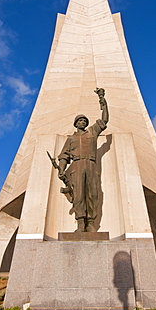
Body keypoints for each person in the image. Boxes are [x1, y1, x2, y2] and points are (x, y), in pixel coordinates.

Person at [58, 88, 109, 233]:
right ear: (75, 124)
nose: (82, 122)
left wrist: (102, 100)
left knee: (93, 193)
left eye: (84, 120)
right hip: (77, 165)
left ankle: (91, 222)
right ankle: (81, 223)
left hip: (91, 164)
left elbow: (104, 119)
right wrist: (61, 169)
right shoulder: (71, 138)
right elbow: (64, 156)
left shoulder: (92, 132)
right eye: (79, 121)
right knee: (79, 194)